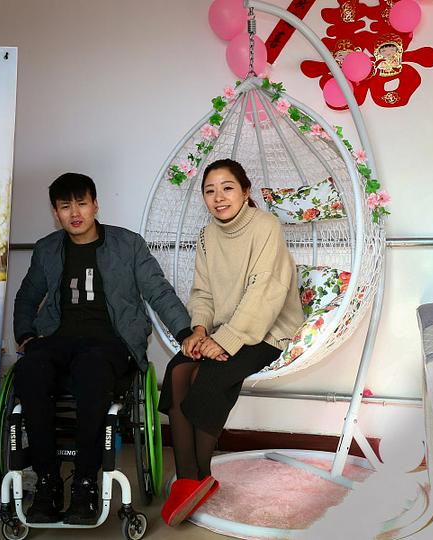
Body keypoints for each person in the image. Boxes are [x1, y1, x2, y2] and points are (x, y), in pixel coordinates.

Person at [13, 172, 192, 525]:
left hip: (110, 343)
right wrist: (26, 335)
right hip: (59, 340)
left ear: (95, 205)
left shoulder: (128, 245)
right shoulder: (48, 249)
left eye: (81, 203)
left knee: (92, 371)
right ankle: (47, 482)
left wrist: (185, 331)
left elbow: (158, 291)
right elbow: (27, 296)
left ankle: (84, 484)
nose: (74, 212)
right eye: (65, 206)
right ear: (56, 212)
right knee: (29, 369)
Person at [158, 159, 304, 526]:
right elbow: (203, 292)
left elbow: (265, 293)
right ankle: (192, 479)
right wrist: (199, 330)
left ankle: (197, 475)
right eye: (210, 190)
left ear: (245, 191)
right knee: (178, 369)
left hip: (267, 330)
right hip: (224, 329)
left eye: (227, 188)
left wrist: (227, 340)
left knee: (209, 377)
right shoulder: (207, 236)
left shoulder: (265, 227)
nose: (218, 197)